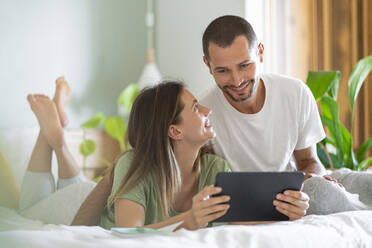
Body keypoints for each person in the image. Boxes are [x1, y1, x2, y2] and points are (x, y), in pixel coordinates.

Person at [20, 78, 310, 229]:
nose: (207, 110)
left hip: (93, 190)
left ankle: (56, 137)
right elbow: (128, 234)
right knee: (28, 209)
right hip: (71, 206)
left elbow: (236, 218)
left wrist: (287, 213)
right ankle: (53, 139)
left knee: (75, 179)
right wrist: (189, 220)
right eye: (196, 108)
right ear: (175, 131)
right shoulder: (135, 165)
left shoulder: (214, 167)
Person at [199, 15, 371, 214]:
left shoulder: (294, 92)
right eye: (223, 71)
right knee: (323, 193)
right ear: (208, 65)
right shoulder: (201, 115)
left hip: (299, 186)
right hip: (276, 202)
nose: (237, 81)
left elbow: (308, 161)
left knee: (359, 183)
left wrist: (309, 179)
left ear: (260, 53)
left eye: (245, 65)